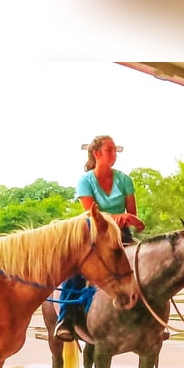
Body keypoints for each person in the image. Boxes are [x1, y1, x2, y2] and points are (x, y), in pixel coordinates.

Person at [53, 135, 145, 341]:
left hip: (121, 235)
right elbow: (91, 214)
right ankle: (66, 318)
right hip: (94, 233)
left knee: (146, 262)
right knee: (77, 268)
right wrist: (120, 217)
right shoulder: (85, 181)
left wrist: (131, 220)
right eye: (110, 150)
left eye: (115, 151)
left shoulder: (125, 180)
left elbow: (132, 214)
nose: (114, 155)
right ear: (97, 154)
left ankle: (152, 319)